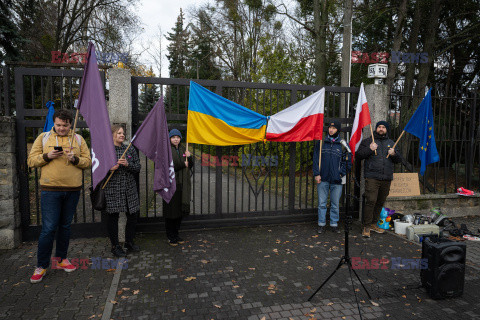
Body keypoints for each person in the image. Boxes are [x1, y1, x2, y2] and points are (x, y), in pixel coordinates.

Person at [27, 109, 91, 283]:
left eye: (65, 125)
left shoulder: (78, 139)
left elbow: (88, 161)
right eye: (58, 125)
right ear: (54, 123)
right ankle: (41, 265)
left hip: (73, 190)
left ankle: (61, 259)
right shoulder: (44, 137)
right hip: (50, 190)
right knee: (48, 229)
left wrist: (75, 159)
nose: (61, 128)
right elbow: (31, 160)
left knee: (65, 226)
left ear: (70, 124)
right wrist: (47, 156)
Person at [356, 121, 402, 238]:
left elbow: (399, 160)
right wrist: (370, 149)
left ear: (386, 129)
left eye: (383, 127)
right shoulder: (368, 141)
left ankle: (373, 224)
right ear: (376, 129)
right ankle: (366, 226)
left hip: (386, 178)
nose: (381, 129)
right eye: (379, 127)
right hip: (372, 177)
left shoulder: (392, 143)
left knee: (380, 202)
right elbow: (359, 155)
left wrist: (394, 153)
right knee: (371, 201)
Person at [104, 124, 141, 257]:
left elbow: (138, 167)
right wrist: (109, 168)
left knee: (133, 215)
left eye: (123, 133)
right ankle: (115, 246)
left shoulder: (129, 149)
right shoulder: (107, 150)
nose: (122, 135)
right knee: (113, 217)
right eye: (119, 133)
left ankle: (129, 242)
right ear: (112, 134)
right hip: (113, 189)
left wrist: (128, 164)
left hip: (129, 188)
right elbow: (98, 169)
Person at [313, 120, 352, 234]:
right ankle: (321, 224)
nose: (331, 130)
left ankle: (334, 224)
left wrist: (341, 173)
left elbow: (348, 161)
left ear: (338, 130)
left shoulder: (343, 144)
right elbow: (316, 159)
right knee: (322, 203)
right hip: (323, 178)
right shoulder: (321, 142)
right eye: (330, 127)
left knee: (335, 204)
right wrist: (317, 173)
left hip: (337, 180)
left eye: (334, 128)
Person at [163, 129, 193, 246]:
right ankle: (171, 236)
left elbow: (190, 166)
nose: (176, 139)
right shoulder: (166, 151)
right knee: (171, 213)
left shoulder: (183, 150)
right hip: (170, 185)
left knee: (179, 212)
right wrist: (182, 164)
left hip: (182, 185)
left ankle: (176, 233)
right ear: (170, 139)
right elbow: (167, 167)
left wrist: (189, 158)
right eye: (173, 137)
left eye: (178, 137)